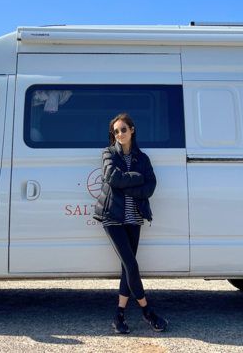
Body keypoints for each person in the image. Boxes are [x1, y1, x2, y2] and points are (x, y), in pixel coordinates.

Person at [93, 113, 168, 334]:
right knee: (132, 265)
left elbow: (151, 186)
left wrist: (125, 184)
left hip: (134, 218)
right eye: (115, 131)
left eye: (123, 129)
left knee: (127, 268)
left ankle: (119, 315)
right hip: (112, 218)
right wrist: (136, 179)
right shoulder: (108, 153)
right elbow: (111, 177)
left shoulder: (142, 158)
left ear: (132, 130)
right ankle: (148, 312)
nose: (119, 134)